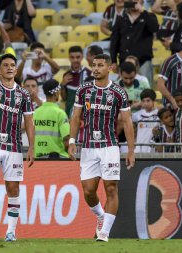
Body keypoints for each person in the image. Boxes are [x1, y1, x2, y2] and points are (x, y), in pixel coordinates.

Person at [68, 54, 135, 242]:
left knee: (111, 189)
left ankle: (104, 232)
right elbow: (75, 117)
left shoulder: (119, 93)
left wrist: (130, 150)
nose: (95, 69)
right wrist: (72, 141)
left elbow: (127, 122)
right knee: (88, 190)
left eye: (100, 65)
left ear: (110, 68)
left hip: (110, 146)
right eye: (94, 65)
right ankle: (100, 216)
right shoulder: (84, 90)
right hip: (88, 147)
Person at [0, 23, 35, 242]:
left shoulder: (23, 94)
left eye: (13, 65)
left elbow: (29, 122)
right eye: (6, 65)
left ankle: (11, 231)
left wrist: (30, 147)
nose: (10, 67)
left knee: (13, 189)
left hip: (13, 147)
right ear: (0, 70)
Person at [110, 0, 159, 86]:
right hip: (124, 62)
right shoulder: (121, 18)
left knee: (146, 90)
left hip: (143, 62)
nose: (133, 1)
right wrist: (113, 60)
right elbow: (114, 42)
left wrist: (143, 11)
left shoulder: (149, 16)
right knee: (123, 91)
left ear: (142, 2)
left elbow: (154, 28)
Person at [34, 79, 70, 159]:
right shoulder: (60, 113)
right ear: (56, 93)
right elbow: (66, 140)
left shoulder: (35, 112)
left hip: (37, 157)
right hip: (56, 158)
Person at [60, 46, 92, 117]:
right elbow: (64, 98)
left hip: (86, 113)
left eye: (78, 57)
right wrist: (62, 85)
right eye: (72, 57)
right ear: (69, 58)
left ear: (82, 57)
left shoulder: (90, 74)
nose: (75, 60)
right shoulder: (66, 75)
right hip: (70, 112)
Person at [132, 89, 159, 153]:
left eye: (148, 101)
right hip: (139, 150)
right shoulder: (138, 114)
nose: (145, 103)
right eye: (143, 101)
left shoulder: (159, 114)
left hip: (153, 151)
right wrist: (132, 106)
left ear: (154, 101)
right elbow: (121, 117)